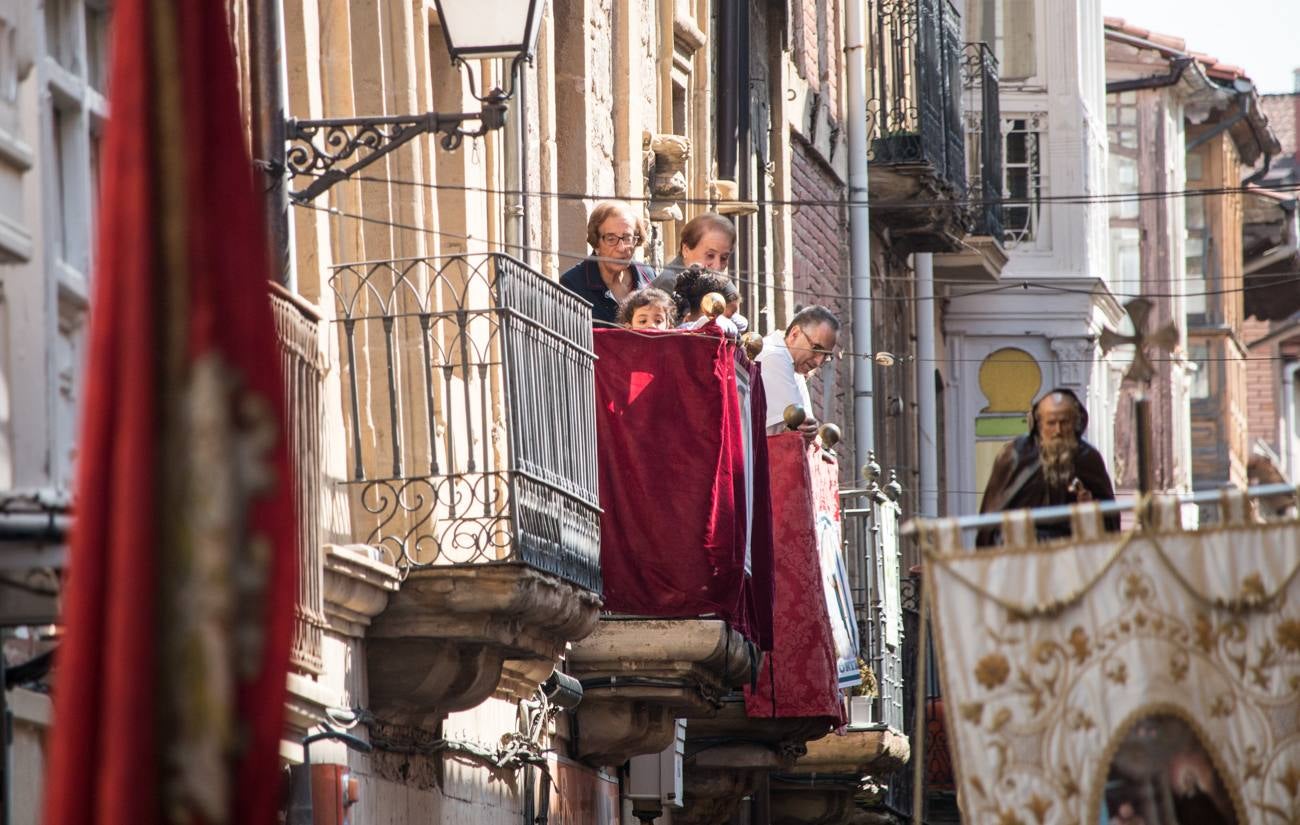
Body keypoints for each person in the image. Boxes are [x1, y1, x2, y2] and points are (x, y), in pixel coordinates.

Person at [975, 388, 1120, 547]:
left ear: (1075, 422)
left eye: (1064, 422)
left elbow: (1110, 519)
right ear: (1038, 424)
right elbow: (991, 519)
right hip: (1022, 551)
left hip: (1071, 550)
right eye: (1051, 423)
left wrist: (1090, 508)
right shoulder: (1015, 455)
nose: (1057, 431)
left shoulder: (1088, 458)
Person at [559, 201, 657, 326]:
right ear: (596, 244)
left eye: (627, 238)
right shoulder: (573, 284)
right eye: (611, 239)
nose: (621, 247)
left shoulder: (647, 275)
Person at [756, 305, 840, 442]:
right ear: (794, 334)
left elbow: (808, 431)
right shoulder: (774, 356)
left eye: (826, 356)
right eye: (816, 348)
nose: (819, 361)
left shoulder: (794, 367)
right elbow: (797, 433)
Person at [651, 213, 736, 294]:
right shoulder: (670, 284)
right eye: (710, 255)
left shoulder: (714, 283)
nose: (717, 266)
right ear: (686, 250)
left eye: (724, 258)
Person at [672, 266, 740, 335]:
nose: (731, 321)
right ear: (709, 307)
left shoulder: (676, 332)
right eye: (728, 317)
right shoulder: (721, 326)